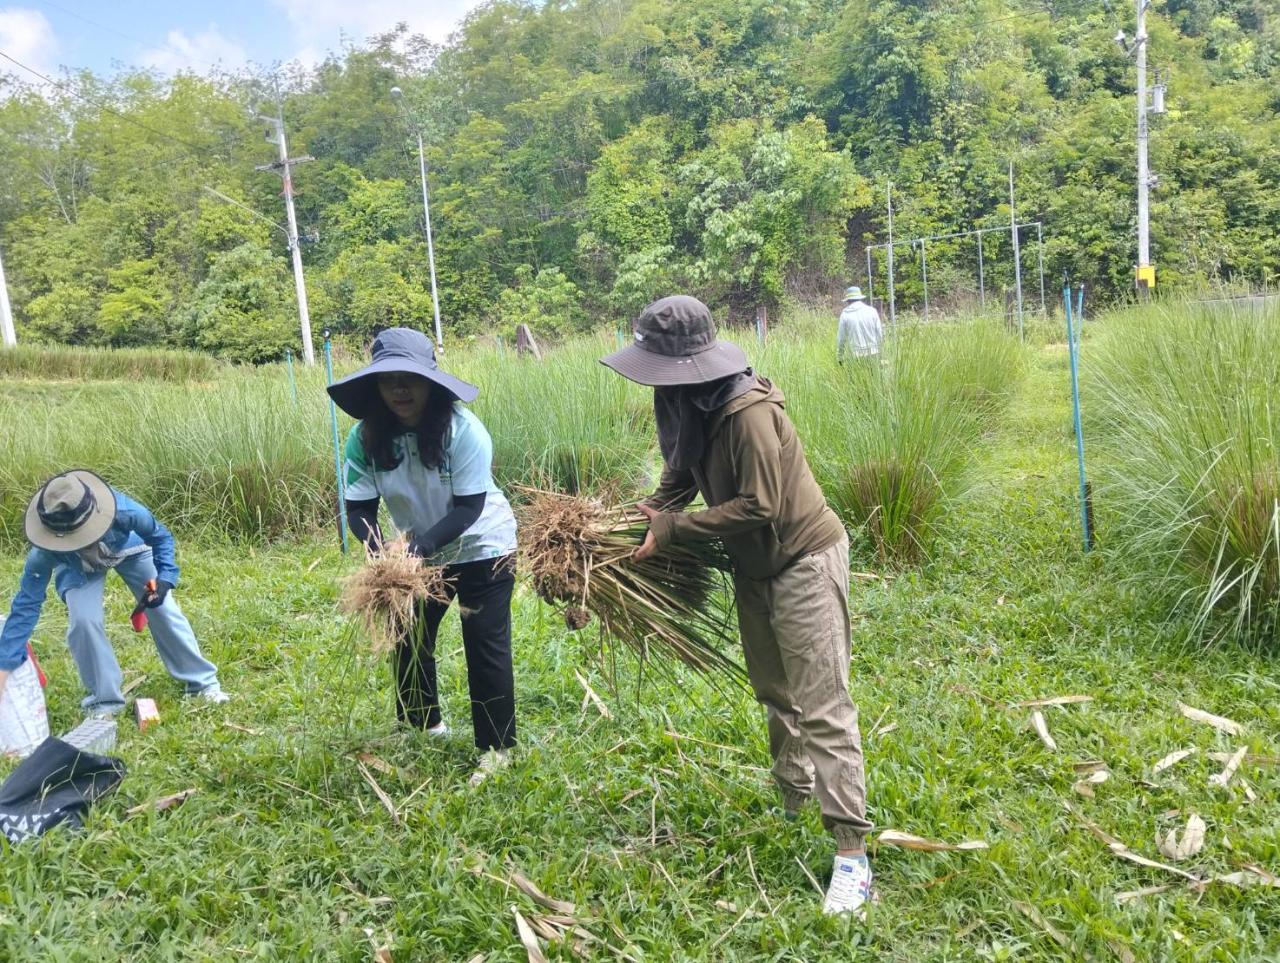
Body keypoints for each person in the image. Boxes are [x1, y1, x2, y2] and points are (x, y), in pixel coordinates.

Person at [600, 295, 874, 916]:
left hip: (801, 558)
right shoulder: (684, 404)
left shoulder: (746, 413)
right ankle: (794, 797)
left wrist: (672, 530)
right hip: (754, 566)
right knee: (776, 691)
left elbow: (761, 505)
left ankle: (852, 854)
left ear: (688, 363)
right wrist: (629, 524)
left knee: (823, 704)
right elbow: (678, 478)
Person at [328, 327, 518, 788]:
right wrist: (381, 553)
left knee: (484, 645)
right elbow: (358, 510)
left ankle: (496, 749)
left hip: (482, 545)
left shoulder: (463, 430)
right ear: (375, 387)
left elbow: (470, 508)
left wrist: (415, 550)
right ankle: (423, 725)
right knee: (408, 636)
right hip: (417, 555)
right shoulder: (364, 439)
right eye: (388, 379)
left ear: (430, 382)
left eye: (409, 378)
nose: (399, 389)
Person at [0, 470, 228, 719]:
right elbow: (26, 606)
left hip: (130, 549)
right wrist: (4, 664)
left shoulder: (125, 512)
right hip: (77, 567)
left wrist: (165, 579)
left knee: (162, 608)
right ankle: (105, 702)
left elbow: (160, 537)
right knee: (83, 622)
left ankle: (202, 684)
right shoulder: (44, 552)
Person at [836, 285, 883, 363]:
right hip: (874, 353)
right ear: (860, 298)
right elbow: (879, 334)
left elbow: (841, 338)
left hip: (855, 356)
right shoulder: (872, 311)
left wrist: (840, 357)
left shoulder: (845, 314)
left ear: (848, 300)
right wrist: (881, 354)